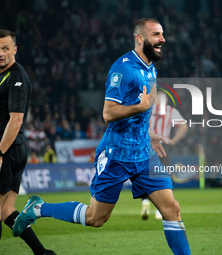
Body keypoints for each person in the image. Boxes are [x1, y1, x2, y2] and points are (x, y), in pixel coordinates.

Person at [13, 19, 191, 255]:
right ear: (140, 38)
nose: (163, 39)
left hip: (143, 153)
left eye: (162, 34)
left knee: (172, 209)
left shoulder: (150, 68)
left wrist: (149, 134)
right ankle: (38, 208)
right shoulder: (123, 69)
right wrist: (138, 108)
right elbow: (108, 113)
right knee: (95, 218)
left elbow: (143, 110)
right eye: (156, 34)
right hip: (117, 154)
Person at [0, 29, 55, 255]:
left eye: (5, 49)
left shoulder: (16, 77)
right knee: (5, 210)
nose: (0, 53)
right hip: (14, 147)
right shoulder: (2, 75)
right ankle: (42, 253)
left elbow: (16, 119)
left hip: (6, 148)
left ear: (14, 50)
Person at [142, 90, 188, 220]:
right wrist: (173, 140)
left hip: (146, 146)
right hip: (164, 146)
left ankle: (145, 200)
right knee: (162, 177)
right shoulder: (170, 111)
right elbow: (184, 126)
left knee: (143, 176)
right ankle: (160, 209)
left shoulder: (147, 109)